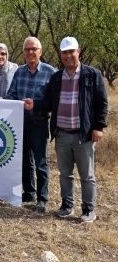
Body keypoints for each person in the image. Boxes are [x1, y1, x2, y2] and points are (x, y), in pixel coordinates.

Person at [42, 37, 107, 222]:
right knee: (65, 174)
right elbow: (48, 102)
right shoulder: (56, 77)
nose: (69, 55)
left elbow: (102, 103)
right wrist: (33, 104)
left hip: (83, 135)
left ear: (78, 52)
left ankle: (88, 209)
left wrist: (98, 127)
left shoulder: (92, 74)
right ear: (61, 55)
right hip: (61, 134)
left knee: (87, 175)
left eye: (72, 51)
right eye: (65, 52)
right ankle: (67, 205)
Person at [5, 37, 56, 213]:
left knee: (41, 161)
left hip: (40, 122)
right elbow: (12, 94)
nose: (30, 52)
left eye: (33, 49)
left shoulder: (50, 72)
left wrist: (36, 104)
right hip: (20, 122)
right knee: (25, 159)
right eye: (27, 49)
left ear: (40, 51)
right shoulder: (19, 72)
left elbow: (53, 100)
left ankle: (42, 198)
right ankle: (29, 192)